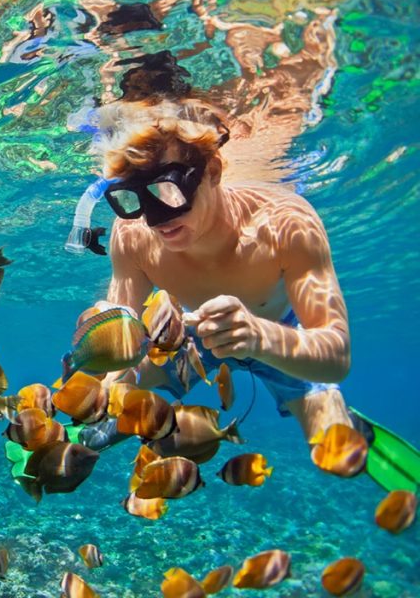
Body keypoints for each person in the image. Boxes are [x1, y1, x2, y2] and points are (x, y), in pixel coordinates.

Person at [64, 97, 420, 493]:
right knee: (109, 402)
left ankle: (347, 424)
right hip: (187, 334)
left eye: (167, 190)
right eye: (132, 197)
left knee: (335, 453)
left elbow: (336, 355)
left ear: (212, 170)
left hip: (279, 333)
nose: (155, 217)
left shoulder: (286, 223)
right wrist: (106, 385)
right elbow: (124, 345)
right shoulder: (131, 235)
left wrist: (257, 336)